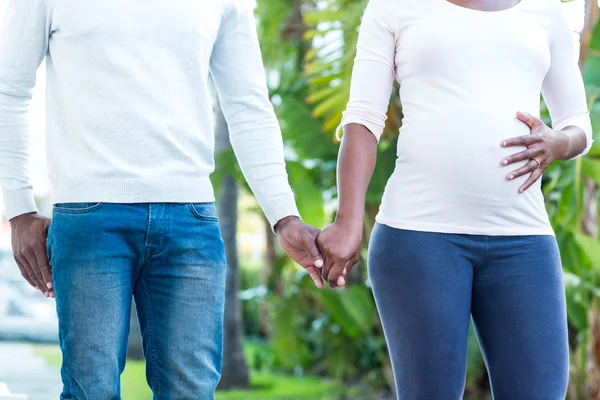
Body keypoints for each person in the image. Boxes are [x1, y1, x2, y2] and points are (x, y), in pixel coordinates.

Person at [0, 0, 326, 398]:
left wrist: (284, 216)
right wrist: (18, 209)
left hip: (191, 222)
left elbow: (248, 105)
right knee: (91, 392)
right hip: (88, 218)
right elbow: (9, 89)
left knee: (190, 392)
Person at [316, 0, 593, 398]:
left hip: (523, 238)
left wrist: (559, 142)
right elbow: (362, 118)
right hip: (418, 238)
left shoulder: (545, 9)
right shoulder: (393, 7)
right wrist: (348, 220)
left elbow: (578, 123)